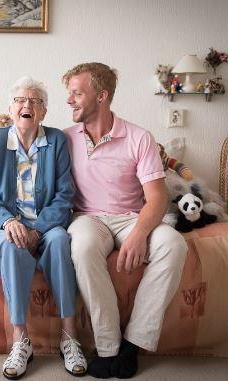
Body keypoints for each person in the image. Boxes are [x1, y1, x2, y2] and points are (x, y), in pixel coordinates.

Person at [61, 63, 188, 379]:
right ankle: (108, 347)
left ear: (101, 96)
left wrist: (139, 234)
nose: (70, 101)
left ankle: (134, 344)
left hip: (131, 217)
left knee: (174, 244)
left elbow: (157, 197)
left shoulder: (139, 137)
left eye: (77, 93)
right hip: (86, 217)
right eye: (69, 94)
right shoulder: (63, 139)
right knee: (83, 248)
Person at [0, 76, 87, 379]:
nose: (27, 105)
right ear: (10, 108)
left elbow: (65, 193)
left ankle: (69, 336)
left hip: (46, 223)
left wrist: (39, 230)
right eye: (20, 100)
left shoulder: (57, 141)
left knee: (61, 240)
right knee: (11, 246)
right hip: (8, 221)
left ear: (44, 112)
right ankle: (20, 339)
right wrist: (8, 221)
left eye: (35, 101)